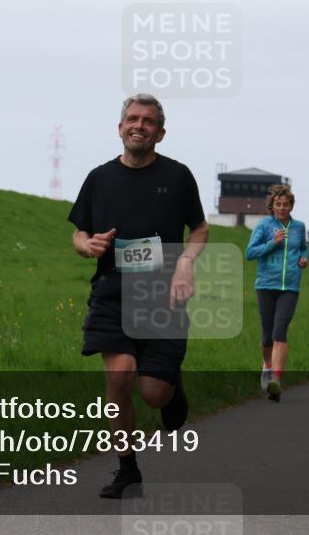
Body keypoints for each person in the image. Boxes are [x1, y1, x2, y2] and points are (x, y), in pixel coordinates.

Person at [68, 93, 208, 499]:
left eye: (148, 121)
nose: (139, 125)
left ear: (160, 133)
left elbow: (199, 229)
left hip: (162, 296)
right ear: (120, 127)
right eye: (132, 118)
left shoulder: (178, 176)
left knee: (153, 394)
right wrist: (86, 245)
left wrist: (185, 263)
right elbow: (79, 233)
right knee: (119, 374)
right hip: (112, 292)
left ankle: (170, 386)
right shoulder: (99, 178)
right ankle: (127, 469)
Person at [245, 185, 308, 403]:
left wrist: (303, 258)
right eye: (278, 204)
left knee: (280, 331)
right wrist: (273, 243)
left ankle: (276, 381)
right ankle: (267, 366)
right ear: (272, 206)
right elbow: (250, 253)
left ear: (291, 206)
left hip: (290, 287)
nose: (282, 208)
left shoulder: (299, 227)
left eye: (286, 204)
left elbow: (303, 248)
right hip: (266, 285)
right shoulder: (263, 226)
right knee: (267, 335)